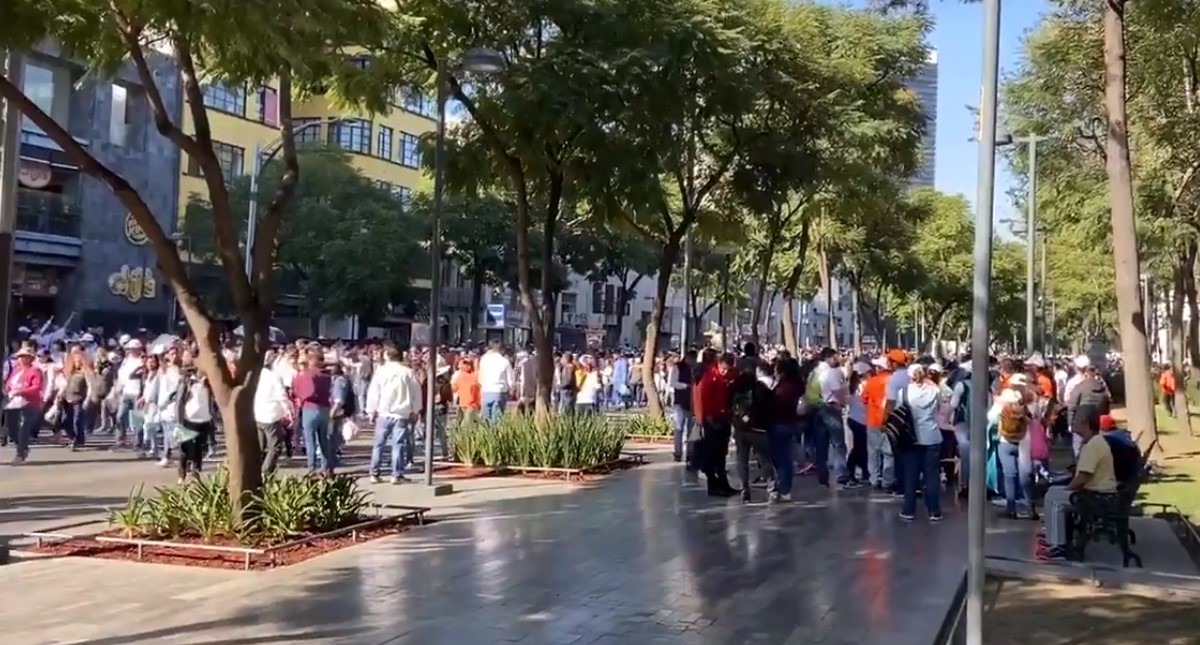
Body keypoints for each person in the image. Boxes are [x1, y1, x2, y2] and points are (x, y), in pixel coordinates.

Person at [1037, 405, 1118, 561]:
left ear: (1086, 423)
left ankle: (1057, 546)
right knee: (1053, 492)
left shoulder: (1093, 446)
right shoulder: (1095, 442)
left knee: (1054, 499)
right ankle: (1053, 537)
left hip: (1097, 497)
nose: (1073, 423)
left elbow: (1083, 477)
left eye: (1076, 420)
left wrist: (1067, 489)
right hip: (1098, 494)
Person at [365, 345, 423, 484]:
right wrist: (416, 410)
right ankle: (396, 474)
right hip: (402, 413)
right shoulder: (408, 372)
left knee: (379, 444)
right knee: (398, 444)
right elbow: (416, 392)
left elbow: (374, 392)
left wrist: (371, 410)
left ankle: (374, 473)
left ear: (387, 356)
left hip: (384, 412)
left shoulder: (381, 371)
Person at [899, 363, 945, 522]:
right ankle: (934, 511)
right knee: (931, 476)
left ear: (910, 376)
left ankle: (909, 510)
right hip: (932, 436)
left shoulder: (903, 392)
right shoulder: (935, 390)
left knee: (910, 476)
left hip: (911, 438)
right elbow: (939, 409)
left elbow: (899, 412)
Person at [729, 353, 775, 503]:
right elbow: (769, 406)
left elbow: (728, 405)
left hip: (740, 428)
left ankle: (744, 489)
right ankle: (771, 487)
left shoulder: (734, 387)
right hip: (757, 429)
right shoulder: (760, 388)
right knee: (764, 458)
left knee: (742, 459)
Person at [695, 350, 737, 497]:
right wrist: (708, 417)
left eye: (728, 369)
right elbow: (705, 399)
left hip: (724, 417)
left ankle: (724, 483)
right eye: (723, 369)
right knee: (712, 453)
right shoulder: (711, 377)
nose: (725, 372)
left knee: (721, 453)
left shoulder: (727, 377)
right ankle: (712, 485)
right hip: (712, 418)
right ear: (719, 364)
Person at [292, 349, 336, 476]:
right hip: (325, 408)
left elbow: (301, 390)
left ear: (311, 360)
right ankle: (326, 467)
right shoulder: (327, 375)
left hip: (310, 408)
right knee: (324, 440)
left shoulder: (308, 374)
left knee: (310, 440)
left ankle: (312, 468)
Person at [173, 351, 215, 483]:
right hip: (188, 419)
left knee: (199, 448)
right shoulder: (186, 381)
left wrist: (213, 416)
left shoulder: (209, 382)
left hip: (204, 418)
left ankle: (195, 472)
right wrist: (179, 422)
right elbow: (179, 401)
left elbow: (212, 400)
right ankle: (182, 474)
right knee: (185, 449)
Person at [769, 358, 804, 502]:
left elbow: (777, 404)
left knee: (781, 458)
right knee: (783, 457)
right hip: (789, 423)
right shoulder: (795, 385)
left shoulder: (785, 388)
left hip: (780, 423)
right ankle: (783, 486)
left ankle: (784, 488)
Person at [254, 361, 292, 476]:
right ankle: (265, 471)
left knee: (260, 446)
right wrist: (287, 411)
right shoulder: (274, 377)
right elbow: (281, 395)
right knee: (275, 447)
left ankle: (255, 470)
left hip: (258, 413)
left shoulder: (255, 376)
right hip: (271, 414)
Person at [668, 350, 697, 466]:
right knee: (679, 428)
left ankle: (690, 452)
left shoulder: (695, 369)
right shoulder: (678, 367)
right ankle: (678, 452)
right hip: (680, 402)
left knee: (691, 429)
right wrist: (685, 386)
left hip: (691, 403)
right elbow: (672, 382)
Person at [478, 340, 515, 420]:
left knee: (486, 419)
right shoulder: (504, 361)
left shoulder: (483, 360)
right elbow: (511, 380)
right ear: (502, 350)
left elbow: (480, 377)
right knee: (497, 419)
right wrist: (511, 389)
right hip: (499, 391)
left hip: (486, 391)